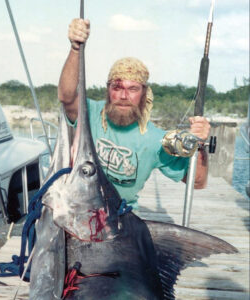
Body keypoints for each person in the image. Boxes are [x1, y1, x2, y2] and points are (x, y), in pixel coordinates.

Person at [58, 18, 210, 210]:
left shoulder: (156, 139)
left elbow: (198, 182)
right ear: (108, 90)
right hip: (78, 207)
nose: (123, 95)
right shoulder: (89, 113)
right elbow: (67, 97)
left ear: (144, 94)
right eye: (117, 86)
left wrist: (201, 145)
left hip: (121, 216)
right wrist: (75, 49)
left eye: (133, 89)